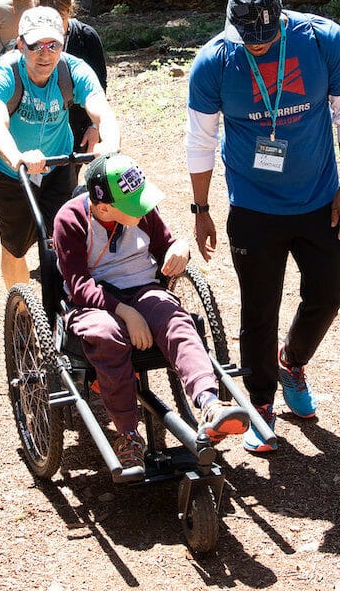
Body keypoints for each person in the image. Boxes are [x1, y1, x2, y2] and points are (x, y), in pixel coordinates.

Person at [184, 0, 340, 454]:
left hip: (321, 198)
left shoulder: (322, 40)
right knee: (259, 307)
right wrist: (201, 209)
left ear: (281, 18)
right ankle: (261, 402)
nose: (259, 47)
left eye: (267, 39)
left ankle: (293, 361)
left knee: (329, 292)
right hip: (254, 204)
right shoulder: (214, 62)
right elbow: (201, 140)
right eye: (250, 40)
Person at [53, 154, 252, 472]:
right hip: (93, 302)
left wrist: (180, 248)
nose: (143, 210)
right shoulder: (70, 220)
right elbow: (78, 285)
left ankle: (210, 404)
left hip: (143, 288)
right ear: (104, 208)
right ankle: (128, 434)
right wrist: (125, 313)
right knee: (106, 335)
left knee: (176, 320)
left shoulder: (141, 211)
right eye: (133, 206)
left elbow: (165, 243)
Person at [0, 7, 121, 289]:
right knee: (15, 247)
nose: (45, 54)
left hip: (59, 166)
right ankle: (20, 310)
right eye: (36, 46)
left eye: (53, 44)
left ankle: (58, 307)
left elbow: (102, 112)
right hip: (10, 173)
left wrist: (110, 146)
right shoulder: (2, 73)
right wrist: (18, 157)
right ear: (21, 44)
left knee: (62, 238)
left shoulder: (74, 70)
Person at [36, 0, 106, 149]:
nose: (54, 25)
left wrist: (95, 126)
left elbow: (99, 86)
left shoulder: (86, 37)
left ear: (69, 10)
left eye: (60, 17)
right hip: (38, 128)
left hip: (78, 126)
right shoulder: (28, 41)